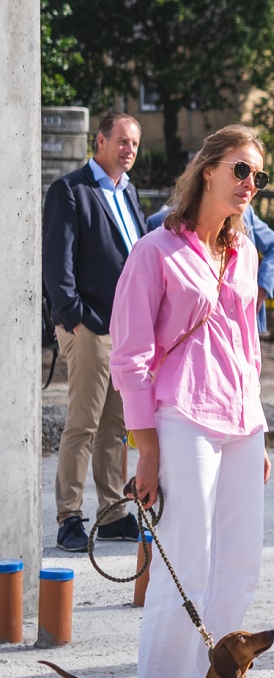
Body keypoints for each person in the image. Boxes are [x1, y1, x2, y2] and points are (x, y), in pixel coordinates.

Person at [109, 124, 274, 678]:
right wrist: (144, 449)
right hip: (181, 415)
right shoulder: (154, 251)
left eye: (259, 176)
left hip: (240, 421)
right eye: (241, 170)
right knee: (188, 556)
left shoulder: (246, 251)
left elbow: (248, 348)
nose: (251, 184)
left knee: (240, 563)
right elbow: (128, 356)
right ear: (207, 170)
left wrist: (254, 424)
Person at [42, 110, 146, 553]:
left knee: (116, 428)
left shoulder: (129, 192)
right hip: (88, 327)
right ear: (99, 142)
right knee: (83, 423)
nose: (129, 151)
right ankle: (69, 516)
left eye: (135, 145)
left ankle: (112, 514)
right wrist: (75, 318)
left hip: (126, 330)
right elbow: (56, 264)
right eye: (122, 141)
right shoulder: (71, 190)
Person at [150, 196, 274, 335]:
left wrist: (262, 288)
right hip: (194, 334)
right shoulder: (160, 223)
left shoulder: (245, 211)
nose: (249, 184)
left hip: (243, 329)